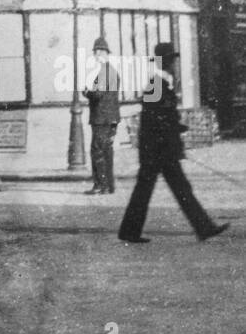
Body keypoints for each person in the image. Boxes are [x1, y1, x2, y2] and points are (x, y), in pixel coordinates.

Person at [119, 43, 229, 245]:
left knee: (165, 189)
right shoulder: (156, 84)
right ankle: (203, 227)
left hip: (159, 149)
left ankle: (130, 230)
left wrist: (176, 126)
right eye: (173, 60)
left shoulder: (160, 83)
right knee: (166, 189)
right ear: (166, 62)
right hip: (158, 150)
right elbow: (153, 116)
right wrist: (172, 128)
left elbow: (158, 114)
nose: (175, 64)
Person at [83, 37, 120, 194]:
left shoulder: (105, 72)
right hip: (111, 118)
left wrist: (86, 92)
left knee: (97, 151)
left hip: (101, 119)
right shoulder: (112, 71)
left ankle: (99, 185)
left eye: (96, 52)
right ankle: (109, 186)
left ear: (100, 52)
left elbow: (97, 95)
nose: (95, 56)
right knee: (107, 152)